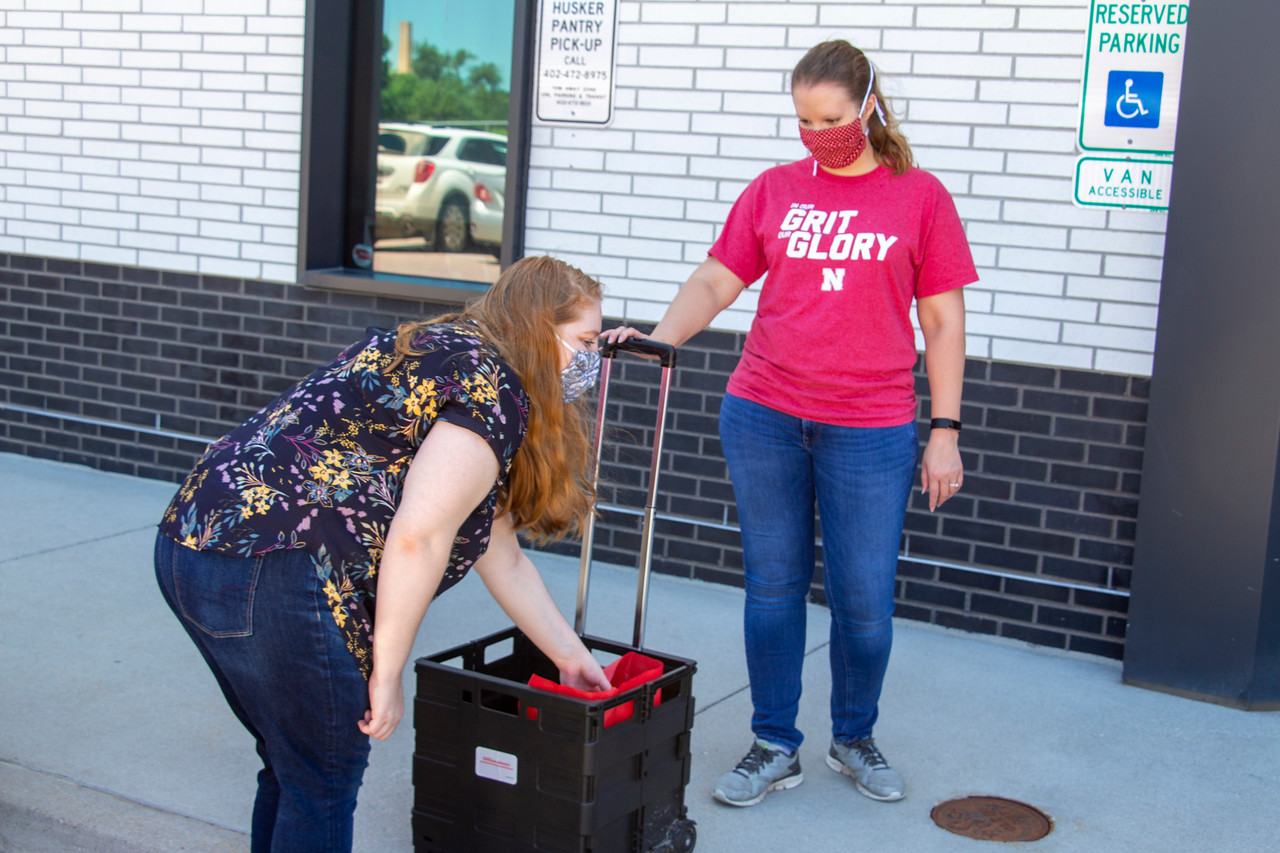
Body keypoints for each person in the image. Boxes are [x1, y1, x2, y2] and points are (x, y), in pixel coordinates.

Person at [604, 40, 976, 808]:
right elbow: (718, 277)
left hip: (870, 427)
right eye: (804, 119)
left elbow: (942, 320)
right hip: (764, 413)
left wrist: (946, 427)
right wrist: (659, 338)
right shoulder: (775, 189)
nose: (818, 132)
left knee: (864, 602)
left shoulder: (920, 197)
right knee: (772, 592)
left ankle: (854, 735)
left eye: (832, 118)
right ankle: (775, 740)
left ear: (868, 106)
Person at [155, 255, 614, 852]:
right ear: (536, 328)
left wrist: (570, 658)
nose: (589, 361)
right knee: (322, 777)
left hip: (193, 540)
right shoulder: (491, 389)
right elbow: (417, 538)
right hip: (272, 566)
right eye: (582, 341)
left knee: (295, 767)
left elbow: (499, 554)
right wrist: (387, 673)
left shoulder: (437, 347)